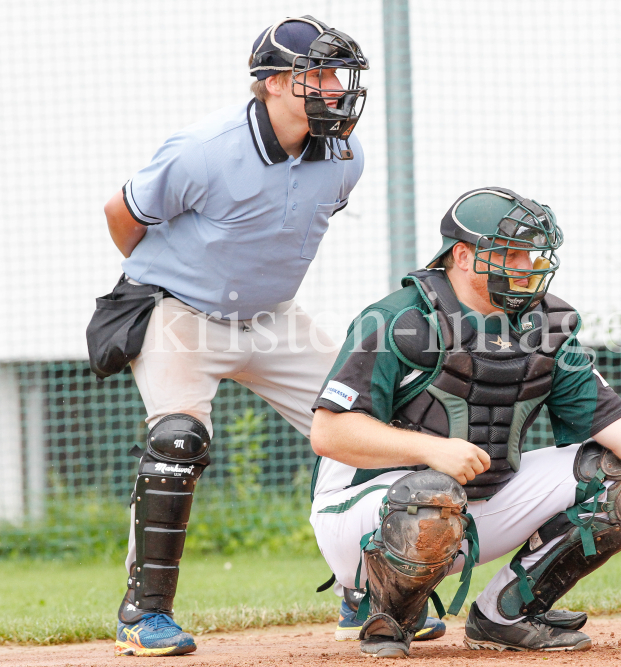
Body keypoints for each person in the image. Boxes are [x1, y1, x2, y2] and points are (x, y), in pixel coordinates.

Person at [308, 187, 621, 657]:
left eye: (532, 254)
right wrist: (429, 450)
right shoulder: (398, 319)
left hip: (470, 508)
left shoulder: (545, 327)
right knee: (430, 494)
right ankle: (385, 611)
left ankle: (506, 614)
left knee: (619, 476)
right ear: (463, 256)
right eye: (511, 253)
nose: (526, 266)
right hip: (363, 521)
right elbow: (330, 432)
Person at [103, 16, 397, 657]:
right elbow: (122, 217)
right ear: (268, 84)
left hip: (273, 317)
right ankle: (142, 613)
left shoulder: (346, 155)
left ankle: (365, 594)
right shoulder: (205, 148)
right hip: (180, 315)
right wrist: (168, 276)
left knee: (363, 424)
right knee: (176, 441)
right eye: (313, 75)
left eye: (338, 76)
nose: (334, 89)